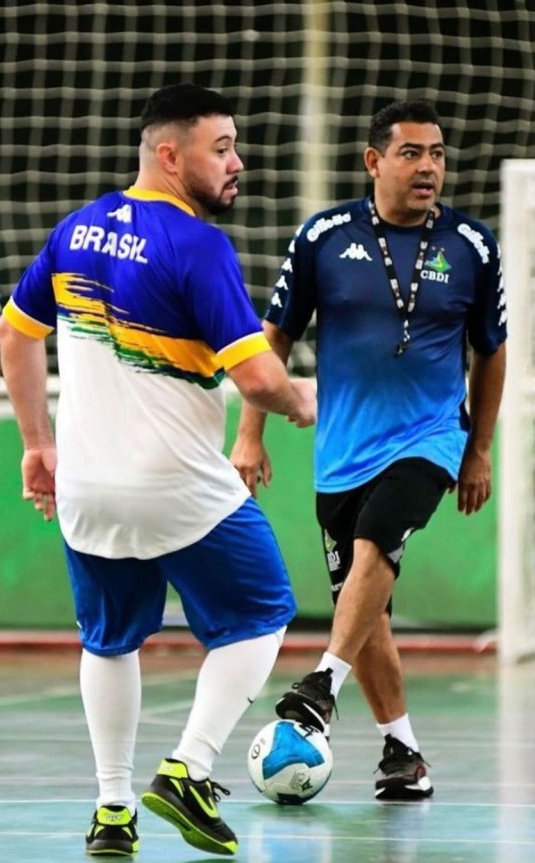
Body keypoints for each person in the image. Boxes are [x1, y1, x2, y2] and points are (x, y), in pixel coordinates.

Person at [0, 83, 315, 857]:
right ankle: (190, 770)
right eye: (222, 148)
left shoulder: (76, 231)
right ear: (169, 156)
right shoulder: (197, 244)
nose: (238, 162)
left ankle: (112, 809)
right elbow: (259, 379)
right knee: (264, 610)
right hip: (177, 488)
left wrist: (37, 444)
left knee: (109, 641)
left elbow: (13, 334)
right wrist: (308, 400)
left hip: (85, 490)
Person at [231, 99, 507, 800]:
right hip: (342, 449)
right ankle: (403, 750)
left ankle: (321, 683)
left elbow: (492, 353)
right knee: (370, 611)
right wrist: (249, 430)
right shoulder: (323, 237)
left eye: (438, 153)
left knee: (379, 539)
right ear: (373, 160)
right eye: (412, 152)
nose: (429, 167)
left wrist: (477, 449)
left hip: (431, 436)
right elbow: (275, 338)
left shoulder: (471, 245)